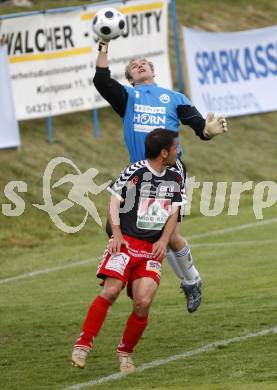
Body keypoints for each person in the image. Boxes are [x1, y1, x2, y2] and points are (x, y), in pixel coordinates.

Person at [93, 38, 228, 313]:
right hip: (139, 175)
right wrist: (104, 44)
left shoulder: (174, 97)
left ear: (153, 72)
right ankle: (134, 277)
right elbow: (101, 79)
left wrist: (208, 131)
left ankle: (190, 281)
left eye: (143, 63)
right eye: (133, 66)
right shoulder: (128, 98)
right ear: (131, 78)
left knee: (168, 235)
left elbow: (199, 127)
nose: (139, 64)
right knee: (117, 227)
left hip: (168, 174)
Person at [71, 128, 185, 372]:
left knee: (143, 302)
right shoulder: (135, 171)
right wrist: (117, 234)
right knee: (110, 291)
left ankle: (125, 354)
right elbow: (114, 201)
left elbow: (174, 211)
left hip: (151, 250)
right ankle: (82, 346)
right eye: (175, 147)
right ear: (164, 152)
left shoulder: (176, 177)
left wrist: (164, 240)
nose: (179, 151)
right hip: (126, 243)